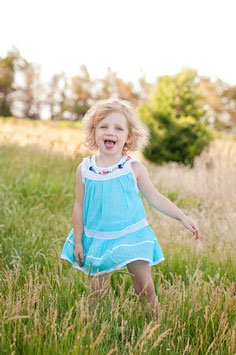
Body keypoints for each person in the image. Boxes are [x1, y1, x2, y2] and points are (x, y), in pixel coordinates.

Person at [60, 97, 200, 322]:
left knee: (144, 288)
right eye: (103, 126)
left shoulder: (132, 167)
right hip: (98, 238)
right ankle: (96, 332)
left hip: (131, 235)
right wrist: (78, 241)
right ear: (93, 131)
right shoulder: (85, 168)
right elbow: (79, 205)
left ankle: (155, 328)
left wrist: (182, 217)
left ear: (129, 136)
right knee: (96, 293)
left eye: (118, 128)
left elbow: (155, 197)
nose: (110, 132)